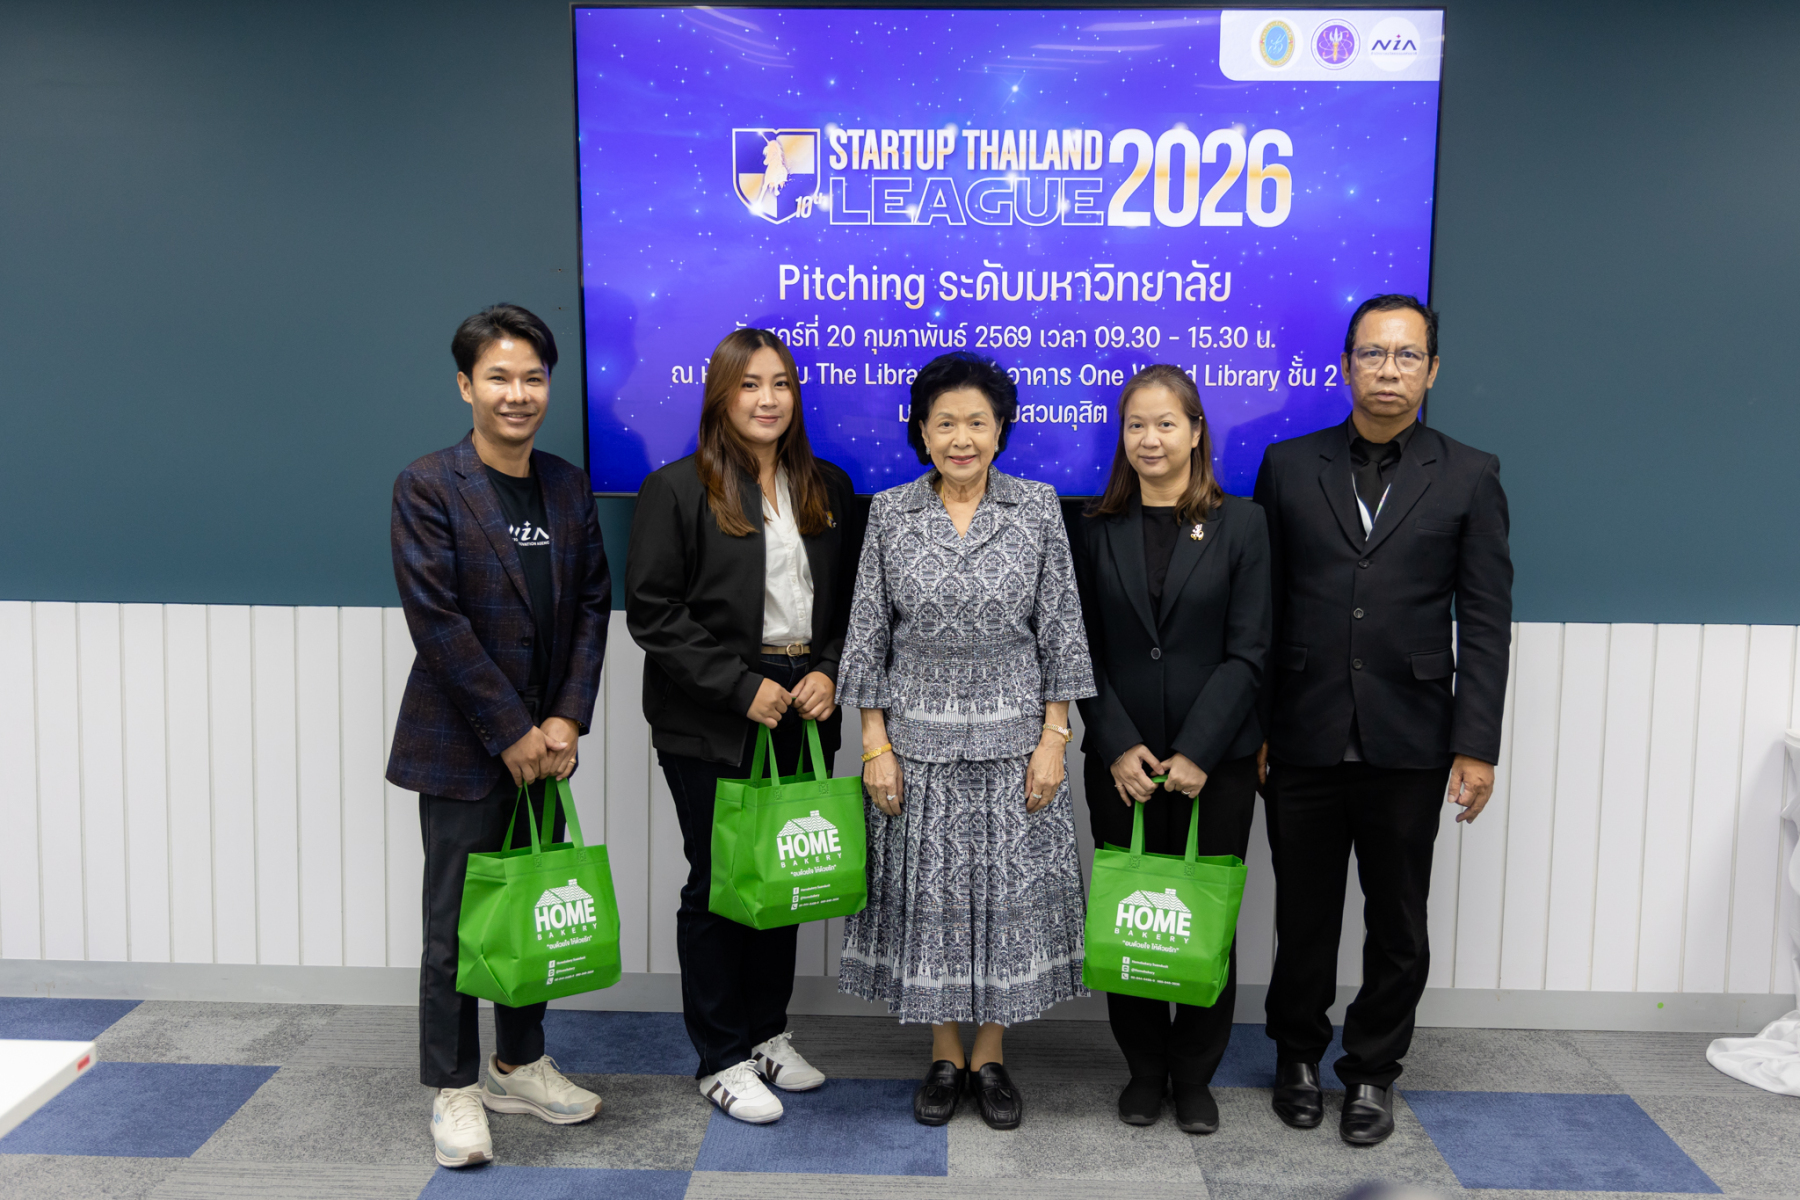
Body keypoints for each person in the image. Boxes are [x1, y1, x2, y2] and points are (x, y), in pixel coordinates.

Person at [1253, 294, 1512, 1145]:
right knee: (1304, 916)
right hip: (1302, 730)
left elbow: (1485, 619)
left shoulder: (1470, 473)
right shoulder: (1289, 465)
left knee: (1398, 920)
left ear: (1432, 370)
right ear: (1345, 366)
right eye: (1373, 354)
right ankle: (1296, 1056)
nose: (1388, 371)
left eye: (1406, 356)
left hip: (1412, 736)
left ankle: (1372, 1071)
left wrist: (1476, 744)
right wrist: (1256, 727)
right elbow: (1261, 610)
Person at [836, 351, 1096, 1131]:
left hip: (1017, 746)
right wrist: (874, 745)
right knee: (934, 908)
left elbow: (1061, 629)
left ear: (1000, 431)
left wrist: (1055, 737)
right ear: (921, 431)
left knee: (1007, 908)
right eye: (944, 423)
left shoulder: (1037, 507)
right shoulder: (890, 512)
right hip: (915, 747)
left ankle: (991, 1056)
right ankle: (945, 1054)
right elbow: (867, 635)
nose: (961, 438)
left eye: (976, 423)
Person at [388, 303, 612, 1168]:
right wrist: (512, 729)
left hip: (547, 748)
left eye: (532, 378)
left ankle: (518, 1064)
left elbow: (591, 604)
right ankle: (453, 1087)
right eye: (498, 377)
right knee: (455, 923)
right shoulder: (428, 485)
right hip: (462, 745)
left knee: (531, 904)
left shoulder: (566, 485)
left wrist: (566, 717)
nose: (517, 394)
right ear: (465, 386)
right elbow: (437, 622)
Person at [626, 328, 862, 1124]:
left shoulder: (828, 487)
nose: (768, 399)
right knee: (721, 884)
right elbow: (654, 613)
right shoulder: (675, 489)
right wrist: (738, 686)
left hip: (805, 704)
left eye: (781, 383)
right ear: (721, 396)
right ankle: (720, 1057)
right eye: (750, 384)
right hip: (714, 714)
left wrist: (829, 669)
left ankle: (767, 1034)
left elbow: (853, 602)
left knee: (783, 877)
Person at [1070, 365, 1271, 1134]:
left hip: (1214, 765)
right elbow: (1079, 651)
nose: (1149, 439)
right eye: (1135, 425)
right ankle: (1144, 1070)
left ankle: (1193, 1075)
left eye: (1165, 424)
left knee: (1200, 913)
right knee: (1132, 911)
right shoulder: (1095, 526)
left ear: (1195, 432)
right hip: (1119, 765)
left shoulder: (1243, 524)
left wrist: (1197, 751)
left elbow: (1250, 651)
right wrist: (1118, 744)